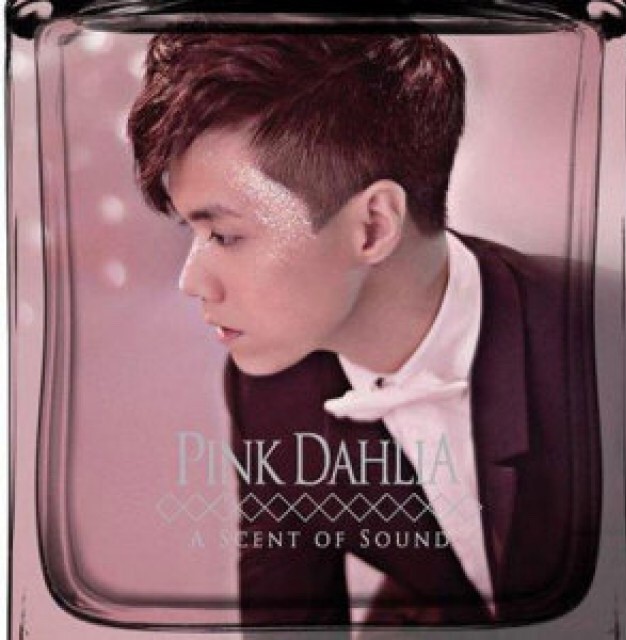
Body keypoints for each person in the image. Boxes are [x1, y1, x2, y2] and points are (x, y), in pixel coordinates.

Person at [128, 32, 601, 627]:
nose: (192, 282)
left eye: (225, 235)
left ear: (373, 226)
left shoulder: (605, 334)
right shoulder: (271, 389)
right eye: (194, 234)